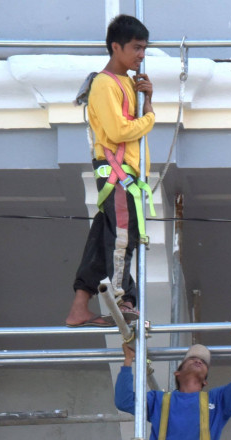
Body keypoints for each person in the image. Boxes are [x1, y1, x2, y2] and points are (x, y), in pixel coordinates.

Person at [66, 15, 156, 328]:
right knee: (122, 238)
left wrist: (145, 97)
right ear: (115, 47)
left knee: (101, 239)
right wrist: (150, 115)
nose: (141, 54)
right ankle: (123, 298)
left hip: (121, 175)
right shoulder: (105, 84)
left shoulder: (125, 84)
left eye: (144, 48)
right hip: (119, 175)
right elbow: (119, 131)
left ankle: (80, 305)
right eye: (136, 47)